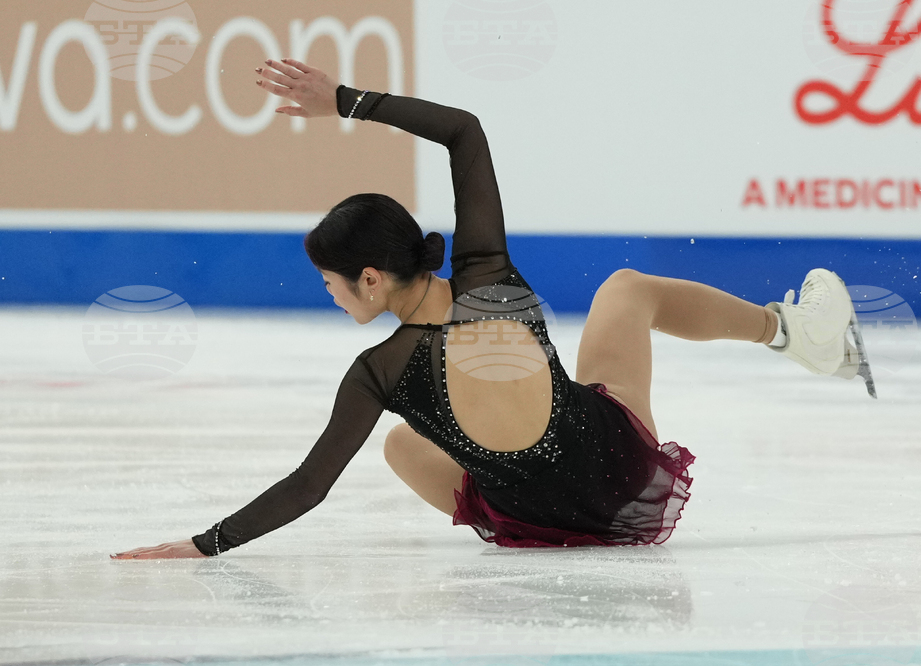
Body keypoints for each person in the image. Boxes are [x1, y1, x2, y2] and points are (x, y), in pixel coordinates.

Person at [111, 59, 864, 560]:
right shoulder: (486, 276)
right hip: (622, 486)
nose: (330, 298)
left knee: (402, 445)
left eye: (332, 284)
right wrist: (343, 101)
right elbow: (462, 131)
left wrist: (205, 545)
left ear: (372, 279)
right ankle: (794, 333)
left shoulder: (377, 372)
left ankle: (531, 492)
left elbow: (311, 486)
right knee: (626, 289)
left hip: (534, 524)